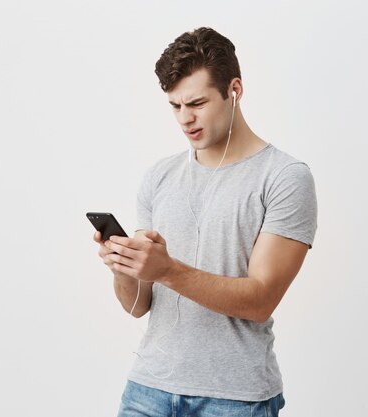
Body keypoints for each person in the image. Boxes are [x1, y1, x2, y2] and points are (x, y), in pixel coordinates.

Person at [93, 27, 317, 417]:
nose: (185, 118)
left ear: (235, 90)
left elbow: (261, 300)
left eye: (197, 102)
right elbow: (139, 306)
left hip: (234, 398)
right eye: (175, 106)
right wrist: (124, 269)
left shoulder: (284, 177)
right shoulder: (159, 177)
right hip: (148, 388)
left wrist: (166, 270)